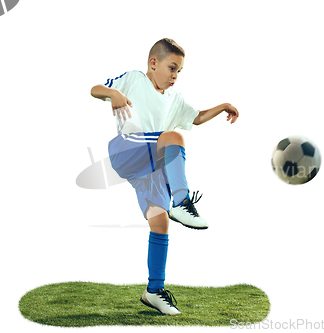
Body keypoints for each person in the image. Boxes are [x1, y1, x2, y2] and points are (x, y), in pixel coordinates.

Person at [90, 38, 239, 315]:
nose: (175, 75)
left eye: (179, 71)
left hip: (150, 166)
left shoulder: (174, 99)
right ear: (153, 63)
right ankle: (182, 202)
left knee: (159, 222)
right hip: (127, 148)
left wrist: (222, 106)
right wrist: (113, 95)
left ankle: (154, 291)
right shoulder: (135, 79)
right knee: (173, 137)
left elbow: (195, 117)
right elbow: (96, 89)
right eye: (172, 67)